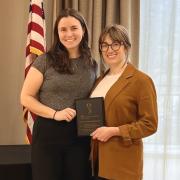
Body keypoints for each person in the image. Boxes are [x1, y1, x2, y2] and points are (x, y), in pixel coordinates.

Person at [21, 8, 97, 180]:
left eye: (74, 28)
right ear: (57, 33)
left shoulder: (92, 63)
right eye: (63, 29)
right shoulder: (45, 61)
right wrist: (55, 114)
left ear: (83, 30)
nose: (69, 34)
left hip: (80, 138)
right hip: (48, 135)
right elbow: (26, 97)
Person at [90, 24, 158, 180]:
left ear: (126, 47)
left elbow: (150, 124)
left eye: (115, 44)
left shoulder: (141, 81)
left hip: (123, 164)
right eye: (104, 45)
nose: (109, 49)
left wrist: (115, 131)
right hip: (98, 161)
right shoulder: (99, 80)